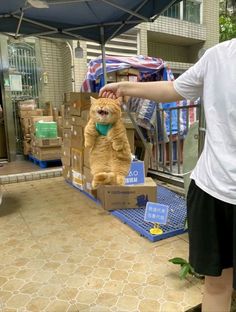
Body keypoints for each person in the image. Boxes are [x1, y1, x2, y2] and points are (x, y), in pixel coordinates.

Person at [99, 38, 236, 312]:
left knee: (217, 287)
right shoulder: (218, 56)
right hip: (213, 190)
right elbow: (175, 88)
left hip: (213, 191)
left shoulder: (221, 55)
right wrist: (124, 87)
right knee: (217, 285)